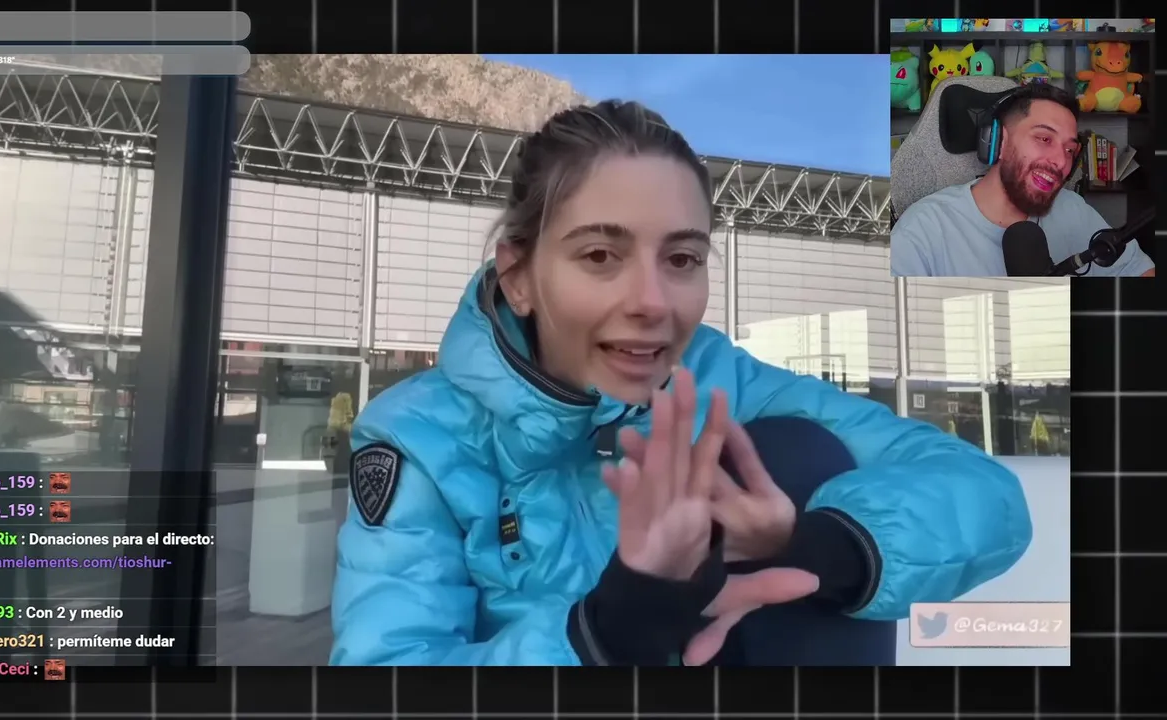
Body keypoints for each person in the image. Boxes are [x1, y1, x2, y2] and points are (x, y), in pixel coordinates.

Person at [330, 100, 1033, 666]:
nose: (652, 302)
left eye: (682, 260)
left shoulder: (722, 381)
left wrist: (815, 544)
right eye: (600, 255)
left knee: (803, 453)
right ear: (518, 277)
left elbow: (985, 494)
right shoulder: (418, 436)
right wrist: (601, 634)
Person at [890, 83, 1154, 277]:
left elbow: (1139, 270)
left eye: (1069, 150)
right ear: (998, 141)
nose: (1061, 162)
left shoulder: (1072, 208)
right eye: (1044, 138)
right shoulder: (921, 232)